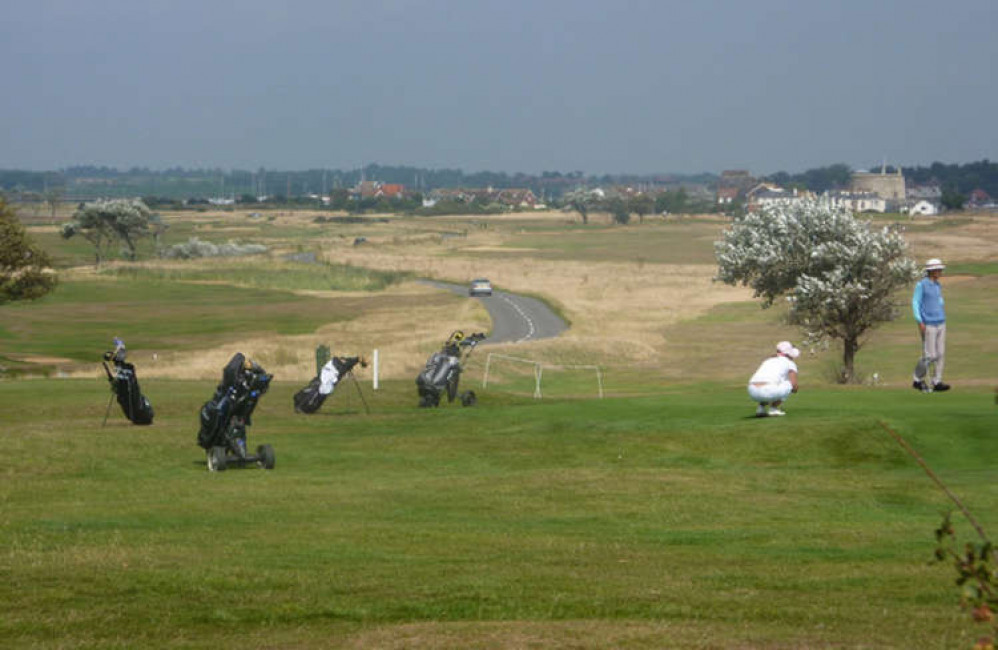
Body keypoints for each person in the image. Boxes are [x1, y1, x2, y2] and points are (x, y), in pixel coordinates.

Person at [912, 258, 950, 393]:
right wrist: (919, 320)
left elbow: (938, 301)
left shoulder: (938, 285)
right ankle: (917, 379)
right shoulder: (921, 285)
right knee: (930, 355)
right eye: (938, 269)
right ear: (931, 271)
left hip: (941, 321)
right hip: (928, 323)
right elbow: (915, 303)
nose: (940, 272)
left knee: (940, 353)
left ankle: (937, 381)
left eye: (940, 269)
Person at [747, 341, 800, 417]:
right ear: (789, 354)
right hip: (769, 391)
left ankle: (761, 409)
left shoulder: (768, 361)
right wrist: (793, 390)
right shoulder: (790, 363)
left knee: (768, 382)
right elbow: (794, 385)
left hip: (752, 391)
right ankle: (774, 408)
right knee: (788, 383)